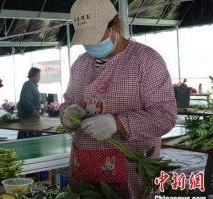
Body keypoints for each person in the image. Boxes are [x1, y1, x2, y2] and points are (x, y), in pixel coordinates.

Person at [60, 0, 177, 198]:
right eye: (86, 38)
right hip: (83, 166)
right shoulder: (80, 64)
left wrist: (118, 124)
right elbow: (67, 101)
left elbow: (165, 116)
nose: (91, 44)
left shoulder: (145, 60)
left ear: (115, 24)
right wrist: (67, 113)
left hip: (129, 169)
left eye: (96, 36)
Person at [16, 67, 41, 139]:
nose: (40, 77)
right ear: (34, 76)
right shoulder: (28, 85)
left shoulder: (33, 85)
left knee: (30, 134)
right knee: (25, 135)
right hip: (27, 116)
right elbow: (25, 100)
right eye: (39, 75)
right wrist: (33, 110)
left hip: (31, 116)